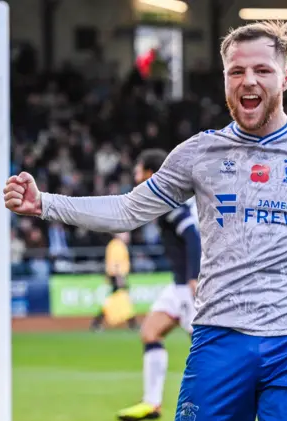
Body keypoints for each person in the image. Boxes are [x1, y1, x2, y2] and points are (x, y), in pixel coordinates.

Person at [3, 20, 287, 421]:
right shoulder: (199, 154)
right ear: (224, 78)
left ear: (285, 77)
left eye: (262, 70)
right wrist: (44, 204)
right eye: (236, 71)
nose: (248, 81)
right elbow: (128, 210)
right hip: (219, 340)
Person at [117, 149, 201, 421]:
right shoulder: (164, 199)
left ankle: (238, 399)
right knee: (150, 332)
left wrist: (194, 277)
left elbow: (191, 235)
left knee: (206, 347)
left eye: (138, 171)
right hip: (177, 286)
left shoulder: (170, 201)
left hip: (188, 285)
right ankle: (152, 404)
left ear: (150, 173)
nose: (135, 176)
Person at [90, 232, 137, 331]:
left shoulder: (117, 245)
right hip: (116, 277)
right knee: (122, 299)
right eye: (125, 234)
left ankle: (97, 322)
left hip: (117, 277)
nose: (128, 236)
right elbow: (115, 264)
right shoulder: (117, 245)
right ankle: (131, 323)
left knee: (116, 300)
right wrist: (119, 278)